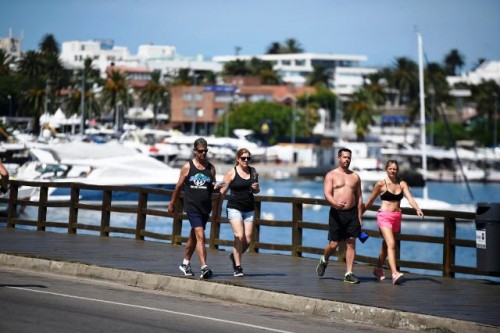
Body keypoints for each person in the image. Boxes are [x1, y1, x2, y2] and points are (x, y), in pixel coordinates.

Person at [363, 159, 424, 285]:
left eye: (395, 169)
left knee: (386, 245)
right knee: (392, 244)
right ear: (386, 169)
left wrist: (417, 209)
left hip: (397, 217)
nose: (392, 171)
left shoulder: (402, 184)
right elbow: (370, 201)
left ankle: (378, 268)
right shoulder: (381, 184)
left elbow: (410, 199)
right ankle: (395, 273)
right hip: (384, 216)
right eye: (390, 168)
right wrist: (359, 215)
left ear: (397, 170)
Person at [167, 138, 218, 279]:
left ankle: (185, 263)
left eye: (206, 151)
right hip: (192, 207)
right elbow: (178, 187)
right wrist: (172, 202)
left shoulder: (211, 168)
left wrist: (217, 187)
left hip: (205, 208)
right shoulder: (187, 167)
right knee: (200, 235)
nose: (203, 153)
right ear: (195, 151)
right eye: (201, 151)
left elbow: (213, 187)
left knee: (194, 237)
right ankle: (204, 267)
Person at [316, 147, 364, 284]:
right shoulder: (331, 175)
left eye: (349, 157)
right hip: (336, 213)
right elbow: (327, 194)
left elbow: (359, 197)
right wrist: (335, 204)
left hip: (352, 213)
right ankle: (324, 260)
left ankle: (349, 273)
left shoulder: (355, 177)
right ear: (339, 158)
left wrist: (360, 216)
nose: (347, 160)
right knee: (333, 244)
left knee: (351, 242)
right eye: (344, 157)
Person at [215, 148, 260, 277]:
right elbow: (222, 192)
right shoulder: (231, 173)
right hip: (234, 208)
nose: (246, 160)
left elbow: (257, 190)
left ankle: (234, 255)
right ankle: (238, 267)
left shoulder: (254, 171)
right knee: (239, 236)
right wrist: (218, 211)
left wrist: (256, 188)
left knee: (248, 240)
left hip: (249, 208)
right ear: (237, 159)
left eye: (248, 158)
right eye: (243, 158)